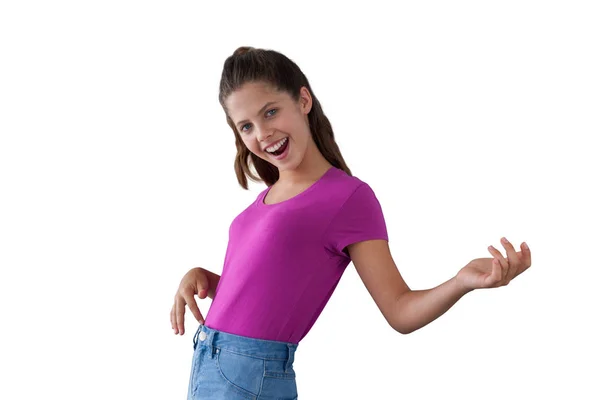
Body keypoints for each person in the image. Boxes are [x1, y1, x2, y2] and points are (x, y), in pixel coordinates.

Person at [170, 46, 533, 400]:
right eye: (246, 125)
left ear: (303, 101)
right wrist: (203, 277)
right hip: (208, 363)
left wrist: (460, 282)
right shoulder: (266, 197)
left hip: (247, 377)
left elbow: (400, 310)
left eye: (270, 112)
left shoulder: (346, 198)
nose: (262, 134)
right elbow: (261, 294)